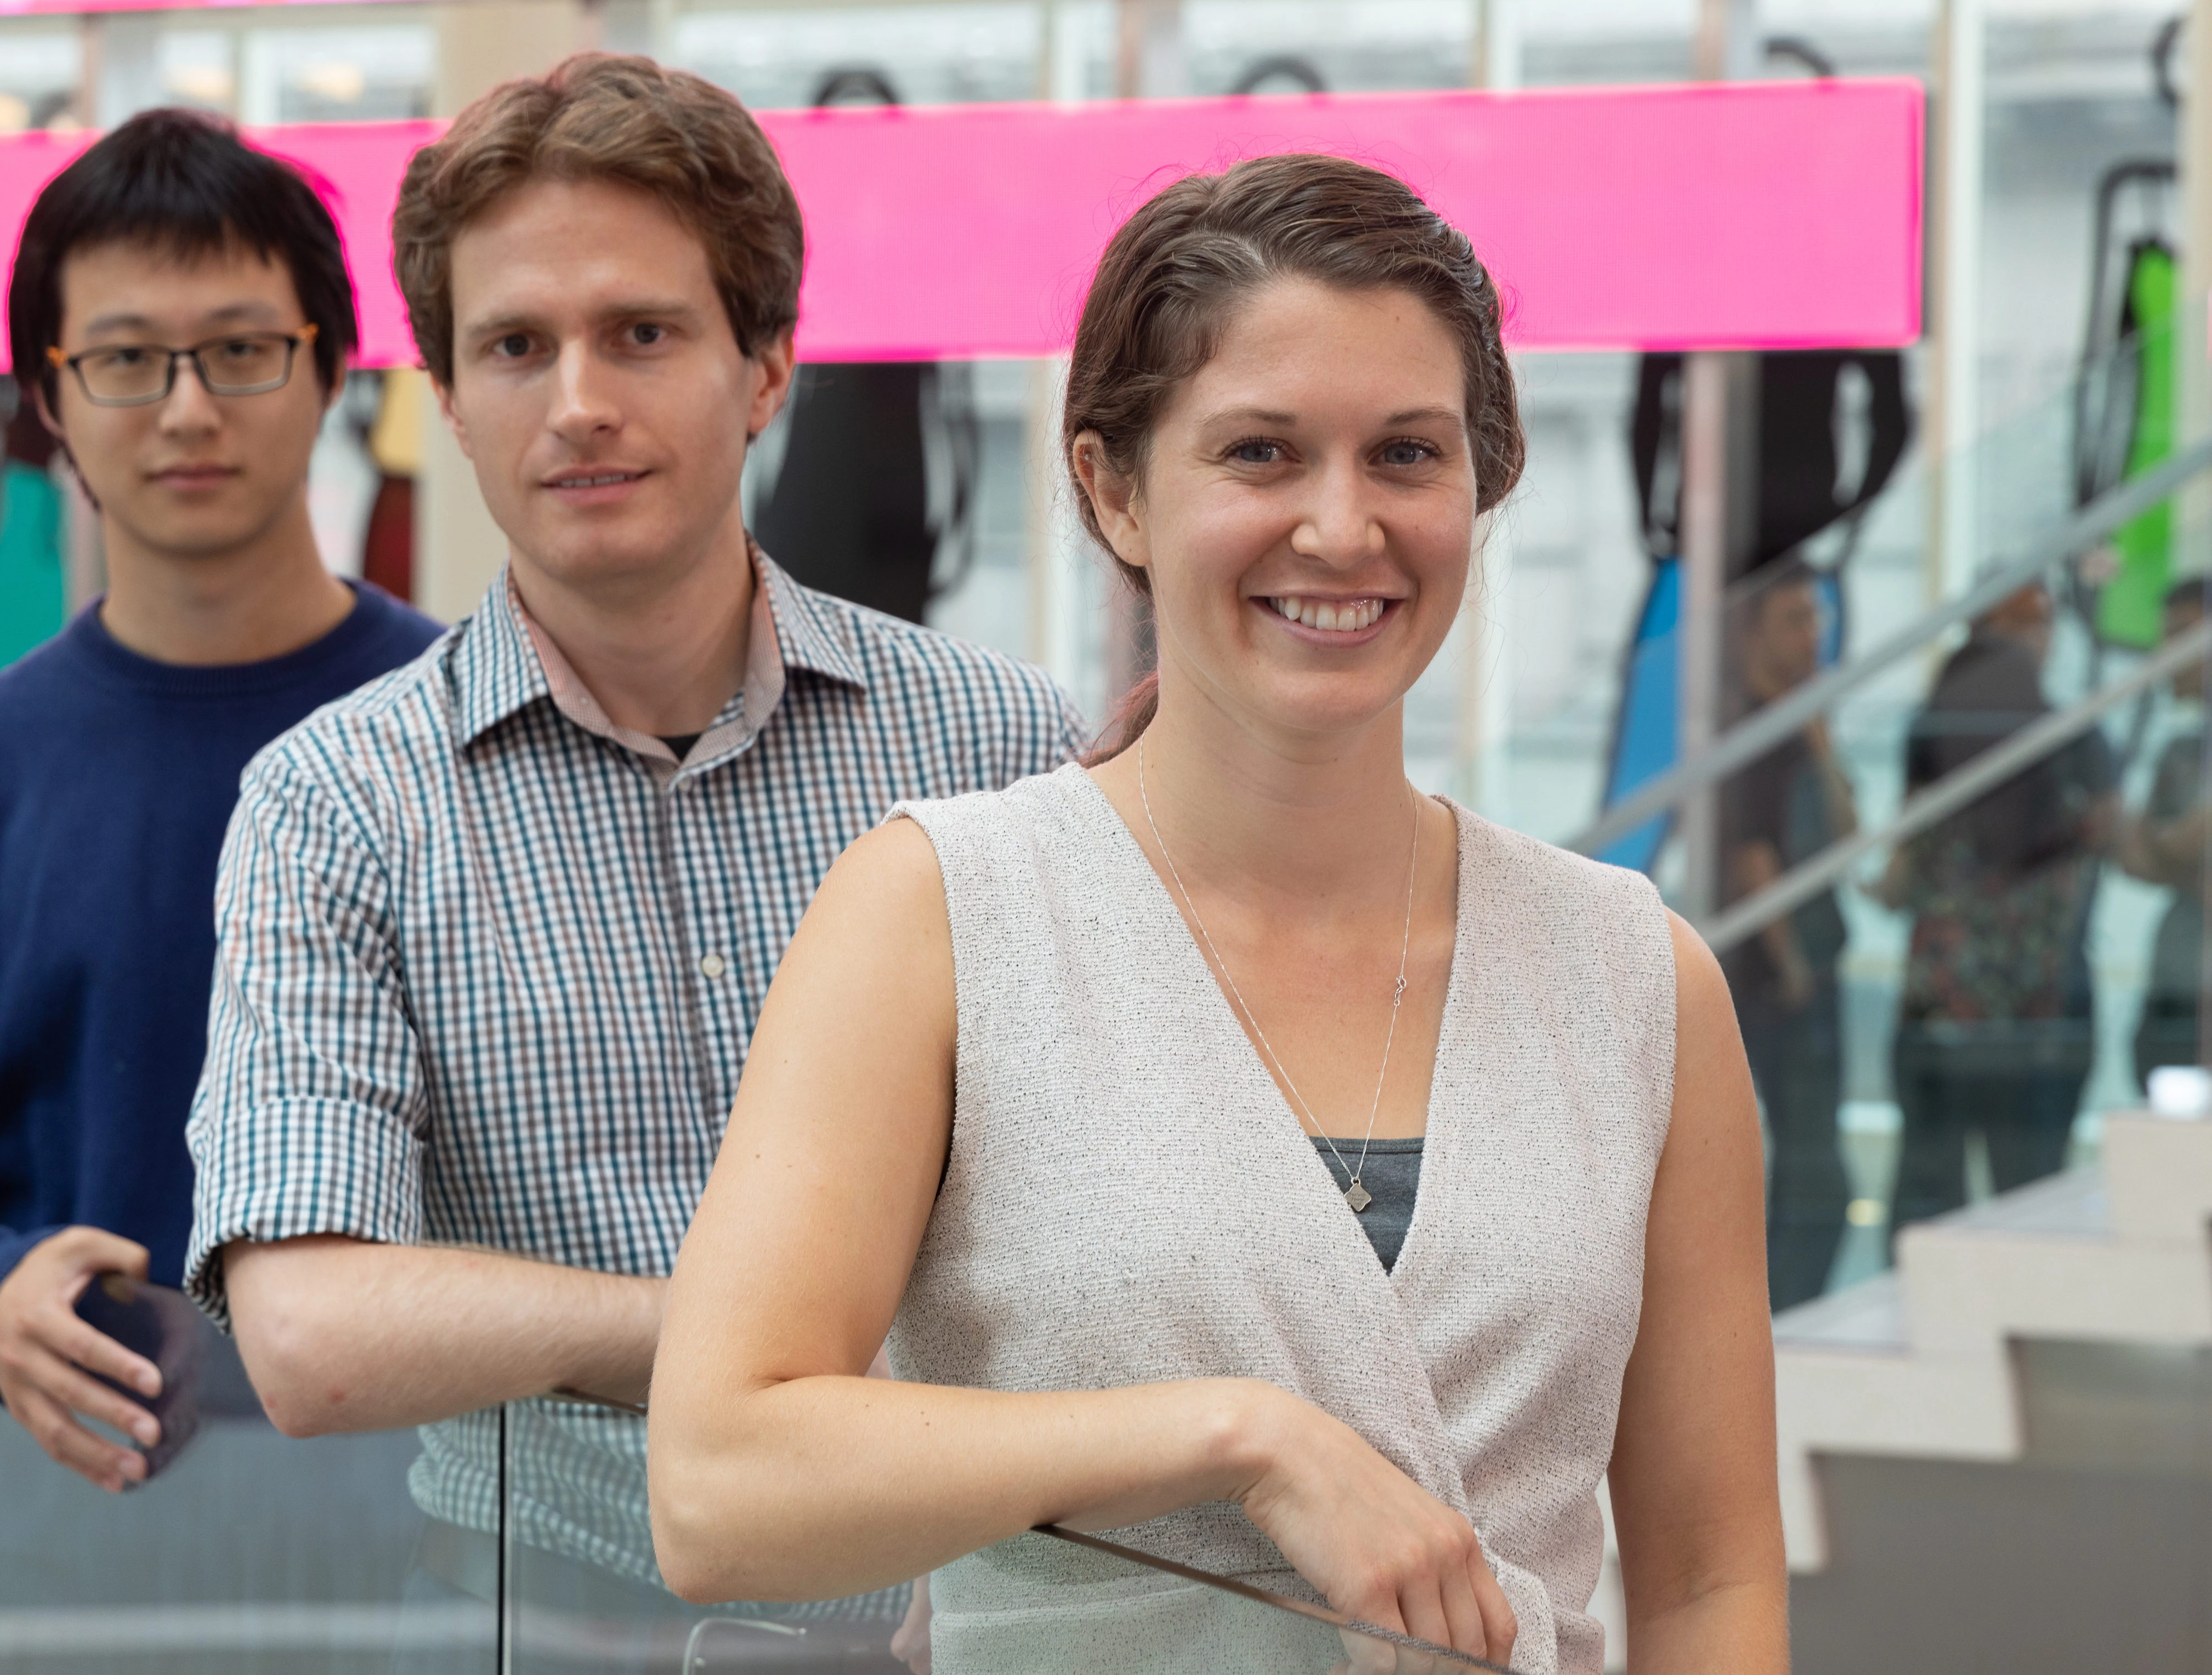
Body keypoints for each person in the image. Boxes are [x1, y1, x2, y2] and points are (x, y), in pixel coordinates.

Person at [646, 155, 1786, 1675]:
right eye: (1260, 453)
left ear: (1480, 486)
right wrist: (1241, 1437)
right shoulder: (941, 913)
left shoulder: (1635, 976)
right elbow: (719, 1484)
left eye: (1406, 455)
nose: (1341, 527)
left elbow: (1711, 1580)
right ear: (1115, 487)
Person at [181, 53, 1083, 1668]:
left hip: (971, 1622)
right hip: (540, 1623)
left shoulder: (999, 747)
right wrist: (736, 1353)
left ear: (765, 368)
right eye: (516, 346)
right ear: (445, 398)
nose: (578, 399)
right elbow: (307, 1329)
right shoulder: (335, 799)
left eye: (642, 333)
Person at [0, 109, 444, 1666]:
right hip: (36, 1564)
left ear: (334, 369)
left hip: (426, 1570)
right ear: (49, 400)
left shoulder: (466, 736)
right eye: (125, 357)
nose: (186, 407)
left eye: (241, 348)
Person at [1875, 582, 2116, 1228]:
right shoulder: (1950, 730)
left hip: (2019, 1011)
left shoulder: (2062, 737)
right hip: (1987, 1012)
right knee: (1959, 1202)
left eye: (2039, 624)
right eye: (2018, 626)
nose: (2034, 641)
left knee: (2019, 1206)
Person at [1719, 569, 1859, 1310]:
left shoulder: (1799, 727)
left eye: (1818, 618)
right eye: (1796, 618)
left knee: (1810, 1160)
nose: (1814, 634)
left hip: (1816, 966)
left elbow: (1848, 834)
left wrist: (1822, 739)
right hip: (1775, 981)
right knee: (1816, 1175)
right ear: (1753, 636)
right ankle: (1781, 1322)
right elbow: (1752, 859)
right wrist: (1791, 962)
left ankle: (1786, 1316)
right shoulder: (1746, 732)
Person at [2117, 576, 2210, 1086]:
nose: (2166, 655)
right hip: (2178, 981)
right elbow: (2134, 854)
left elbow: (2174, 843)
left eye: (2183, 634)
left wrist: (2171, 850)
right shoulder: (2179, 748)